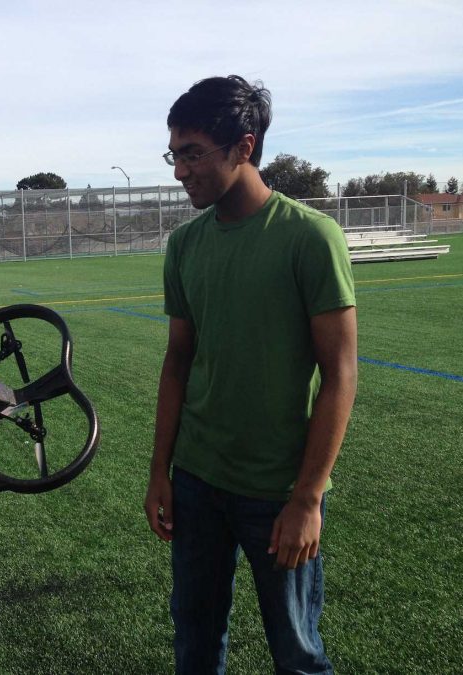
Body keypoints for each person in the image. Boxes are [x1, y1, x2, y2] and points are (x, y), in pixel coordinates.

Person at [144, 76, 358, 674]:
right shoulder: (184, 244)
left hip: (276, 491)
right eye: (174, 154)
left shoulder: (310, 237)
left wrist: (308, 499)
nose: (180, 171)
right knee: (195, 641)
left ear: (244, 146)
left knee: (297, 653)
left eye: (192, 154)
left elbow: (340, 376)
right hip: (196, 480)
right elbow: (178, 361)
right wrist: (161, 471)